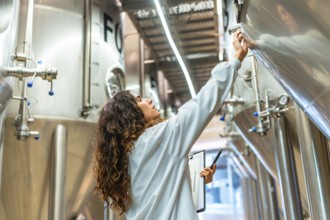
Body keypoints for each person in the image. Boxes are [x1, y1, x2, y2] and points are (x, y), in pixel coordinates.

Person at [93, 30, 248, 220]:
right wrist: (235, 60)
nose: (149, 100)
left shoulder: (123, 157)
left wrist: (197, 182)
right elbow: (202, 104)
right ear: (129, 114)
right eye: (140, 99)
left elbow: (159, 195)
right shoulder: (158, 139)